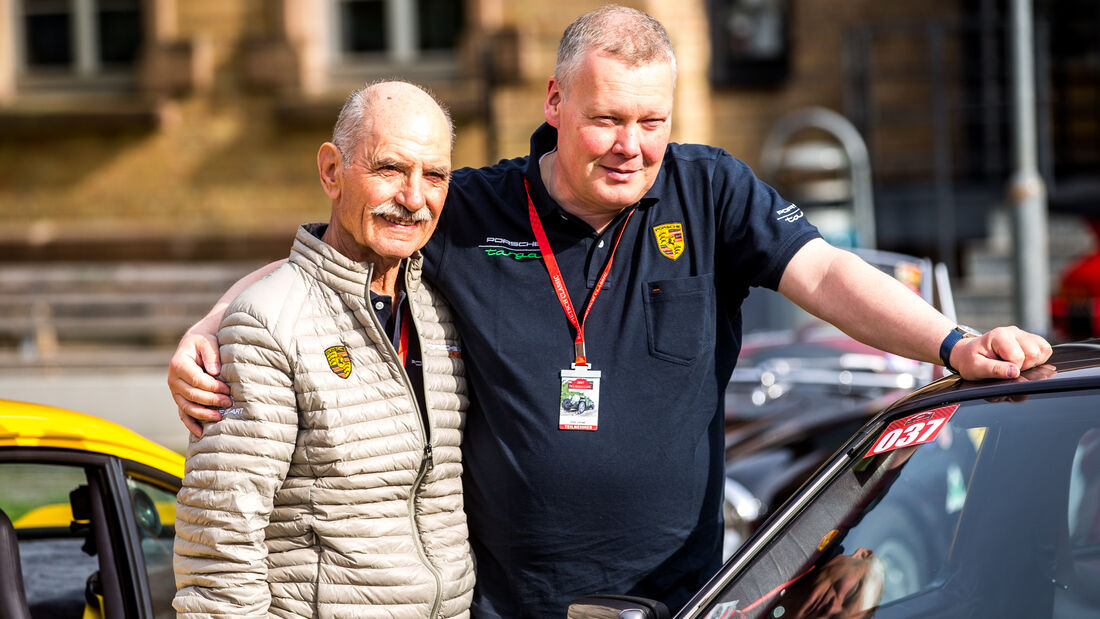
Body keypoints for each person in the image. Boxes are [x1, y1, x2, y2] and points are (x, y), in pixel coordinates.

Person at [168, 7, 1052, 617]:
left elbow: (827, 275)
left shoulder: (710, 190)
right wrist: (209, 329)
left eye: (650, 121)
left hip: (682, 598)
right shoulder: (470, 207)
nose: (631, 145)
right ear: (555, 106)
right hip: (510, 604)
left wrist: (953, 341)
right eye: (606, 119)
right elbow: (331, 257)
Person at [171, 81, 475, 618]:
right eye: (388, 169)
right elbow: (219, 541)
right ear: (332, 171)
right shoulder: (267, 322)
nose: (412, 198)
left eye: (434, 176)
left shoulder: (445, 306)